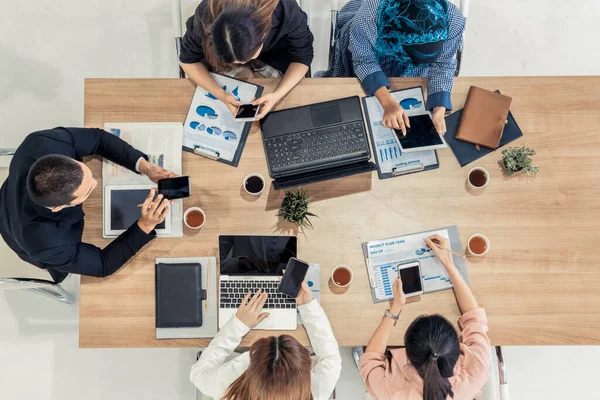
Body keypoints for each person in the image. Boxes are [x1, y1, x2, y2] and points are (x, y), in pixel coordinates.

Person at [0, 127, 176, 283]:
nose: (96, 184)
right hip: (14, 231)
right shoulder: (48, 245)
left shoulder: (42, 142)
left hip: (13, 189)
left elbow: (98, 139)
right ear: (58, 208)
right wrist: (145, 225)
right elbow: (103, 265)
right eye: (88, 190)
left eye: (88, 175)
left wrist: (147, 168)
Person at [360, 234, 490, 400]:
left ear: (406, 349)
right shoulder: (476, 371)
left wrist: (395, 308)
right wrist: (448, 262)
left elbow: (369, 359)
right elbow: (475, 319)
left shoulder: (391, 391)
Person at [320, 0, 465, 135]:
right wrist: (387, 102)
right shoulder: (368, 18)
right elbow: (364, 60)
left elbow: (443, 64)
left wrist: (439, 108)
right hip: (373, 51)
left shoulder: (453, 19)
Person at [190, 280, 342, 400]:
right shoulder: (315, 392)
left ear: (253, 364)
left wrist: (238, 325)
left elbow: (197, 373)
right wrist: (307, 306)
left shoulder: (229, 387)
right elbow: (331, 359)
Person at [180, 0, 314, 120]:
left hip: (276, 56)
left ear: (264, 34)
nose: (242, 64)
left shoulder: (284, 8)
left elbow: (302, 57)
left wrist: (277, 95)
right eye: (237, 63)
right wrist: (221, 95)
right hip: (221, 63)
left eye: (245, 60)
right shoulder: (206, 14)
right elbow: (187, 60)